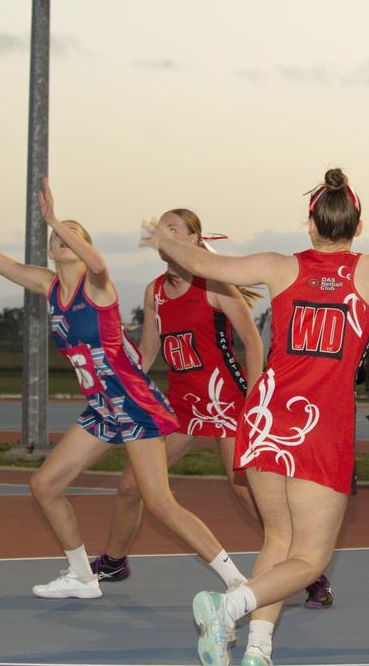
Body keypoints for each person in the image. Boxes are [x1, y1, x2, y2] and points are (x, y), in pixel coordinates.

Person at [139, 165, 369, 666]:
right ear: (357, 227)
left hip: (268, 417)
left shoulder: (278, 266)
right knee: (310, 558)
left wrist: (165, 241)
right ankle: (228, 607)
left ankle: (258, 648)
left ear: (310, 224)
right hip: (319, 426)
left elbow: (204, 262)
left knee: (278, 541)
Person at [0, 178, 247, 599]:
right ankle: (83, 576)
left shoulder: (98, 286)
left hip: (135, 403)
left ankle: (239, 583)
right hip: (102, 408)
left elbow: (99, 261)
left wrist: (54, 219)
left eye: (74, 235)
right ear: (50, 250)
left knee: (159, 503)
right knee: (44, 487)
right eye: (57, 237)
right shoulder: (47, 285)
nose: (63, 240)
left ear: (82, 246)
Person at [86, 209, 267, 581]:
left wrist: (255, 399)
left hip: (227, 401)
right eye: (161, 228)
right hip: (182, 406)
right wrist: (116, 371)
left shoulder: (214, 284)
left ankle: (304, 568)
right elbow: (148, 353)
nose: (163, 235)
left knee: (245, 492)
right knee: (130, 484)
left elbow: (251, 340)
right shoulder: (154, 291)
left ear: (193, 240)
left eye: (173, 229)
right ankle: (115, 561)